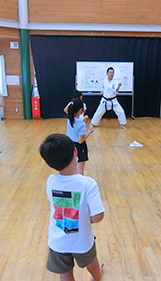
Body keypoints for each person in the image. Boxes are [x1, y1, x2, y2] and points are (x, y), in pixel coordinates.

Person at [39, 133, 105, 281]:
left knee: (66, 273)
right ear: (75, 152)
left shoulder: (51, 181)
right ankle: (96, 277)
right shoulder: (88, 184)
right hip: (81, 239)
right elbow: (98, 216)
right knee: (91, 261)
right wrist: (87, 219)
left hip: (58, 240)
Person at [67, 98, 94, 175]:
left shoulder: (69, 119)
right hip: (79, 147)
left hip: (70, 145)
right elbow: (80, 141)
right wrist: (89, 132)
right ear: (81, 110)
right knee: (80, 170)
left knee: (72, 167)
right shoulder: (81, 124)